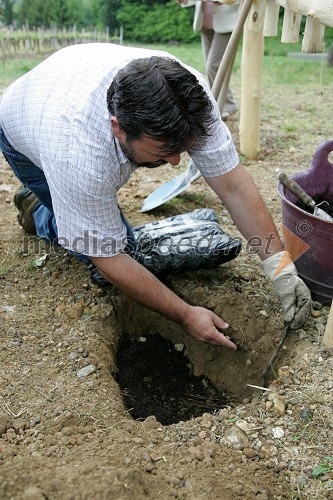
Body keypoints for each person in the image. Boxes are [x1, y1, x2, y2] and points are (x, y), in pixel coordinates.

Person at [0, 43, 311, 349]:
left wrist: (279, 266)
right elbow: (108, 257)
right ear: (118, 128)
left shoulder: (189, 97)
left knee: (105, 218)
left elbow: (234, 187)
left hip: (73, 80)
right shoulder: (77, 156)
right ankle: (42, 209)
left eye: (182, 148)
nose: (176, 162)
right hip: (24, 128)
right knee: (115, 249)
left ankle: (66, 203)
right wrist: (186, 315)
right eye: (164, 151)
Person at [177, 0, 239, 118]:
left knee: (213, 66)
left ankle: (226, 105)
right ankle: (220, 104)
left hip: (226, 25)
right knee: (211, 67)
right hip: (206, 25)